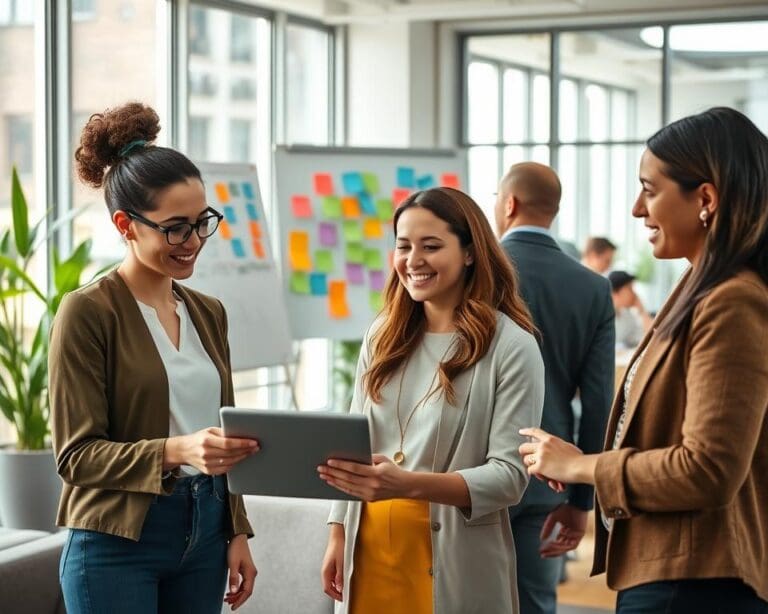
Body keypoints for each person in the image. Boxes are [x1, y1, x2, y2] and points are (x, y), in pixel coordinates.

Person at [520, 107, 768, 613]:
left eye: (649, 190)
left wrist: (582, 466)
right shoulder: (697, 289)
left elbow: (708, 469)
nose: (637, 209)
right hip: (674, 574)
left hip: (694, 583)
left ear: (706, 198)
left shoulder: (731, 300)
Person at [50, 102, 258, 614]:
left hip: (205, 532)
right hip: (116, 543)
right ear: (126, 224)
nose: (192, 242)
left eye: (201, 222)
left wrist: (236, 530)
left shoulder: (209, 313)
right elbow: (75, 457)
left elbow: (223, 436)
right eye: (174, 227)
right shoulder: (87, 312)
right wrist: (178, 450)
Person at [317, 187, 545, 614]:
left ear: (470, 253)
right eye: (403, 246)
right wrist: (337, 532)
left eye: (432, 246)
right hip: (369, 552)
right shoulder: (382, 334)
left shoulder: (512, 346)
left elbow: (509, 476)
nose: (413, 260)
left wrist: (407, 484)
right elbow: (352, 443)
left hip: (452, 557)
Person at [494, 162, 615, 614]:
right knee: (536, 602)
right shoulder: (592, 287)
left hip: (470, 474)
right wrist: (581, 497)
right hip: (550, 478)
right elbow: (600, 400)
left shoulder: (475, 273)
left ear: (509, 204)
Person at [608, 270, 653, 349]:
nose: (634, 293)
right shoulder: (600, 315)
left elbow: (650, 337)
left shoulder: (626, 315)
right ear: (615, 293)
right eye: (630, 288)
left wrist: (642, 311)